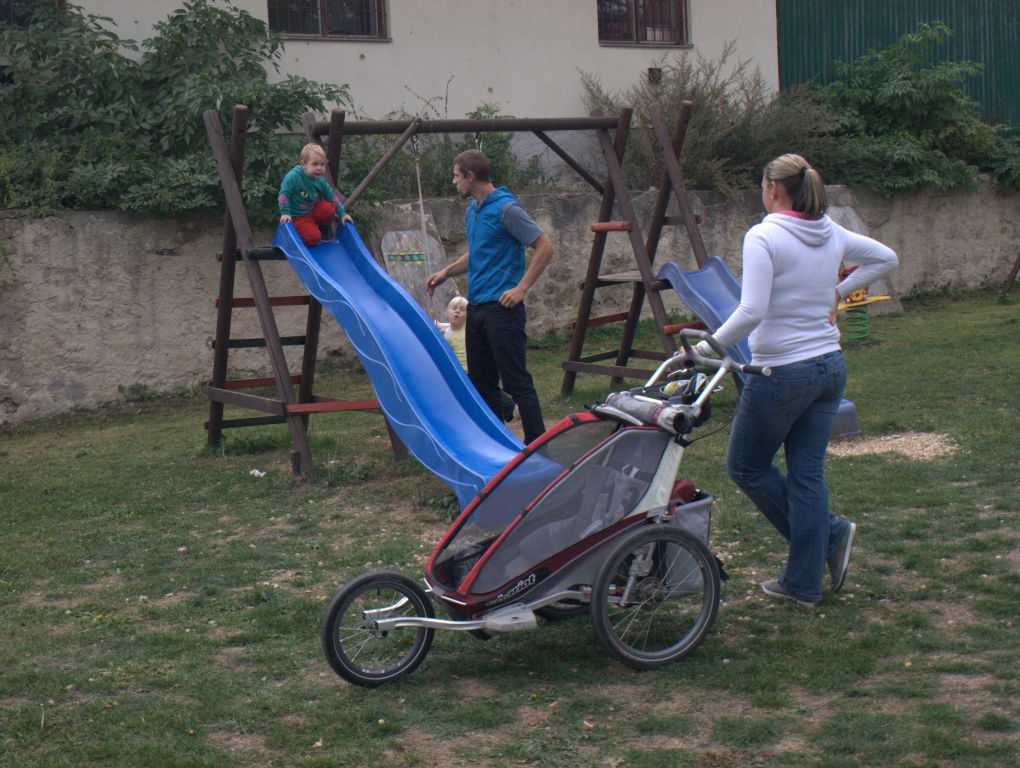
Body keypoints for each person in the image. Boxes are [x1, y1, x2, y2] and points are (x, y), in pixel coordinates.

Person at [699, 153, 897, 608]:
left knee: (746, 466)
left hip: (782, 371)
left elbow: (752, 311)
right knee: (807, 475)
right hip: (829, 366)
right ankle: (804, 580)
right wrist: (837, 293)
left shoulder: (764, 235)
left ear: (772, 188)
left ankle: (829, 538)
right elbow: (886, 258)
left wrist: (706, 349)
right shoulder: (829, 231)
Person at [425, 150, 553, 444]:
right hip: (477, 308)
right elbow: (478, 252)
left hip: (502, 310)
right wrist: (446, 272)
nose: (454, 181)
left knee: (516, 382)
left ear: (470, 176)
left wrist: (521, 288)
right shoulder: (474, 210)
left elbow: (544, 246)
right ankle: (497, 445)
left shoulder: (507, 209)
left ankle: (537, 446)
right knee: (481, 383)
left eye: (457, 176)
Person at [437, 295, 515, 421]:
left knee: (484, 389)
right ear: (447, 312)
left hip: (474, 369)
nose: (457, 311)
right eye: (454, 308)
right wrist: (439, 335)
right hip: (459, 373)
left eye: (462, 310)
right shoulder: (446, 333)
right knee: (472, 393)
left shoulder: (470, 331)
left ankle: (510, 408)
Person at [278, 143, 353, 246]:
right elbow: (284, 195)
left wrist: (342, 214)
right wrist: (285, 213)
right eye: (315, 164)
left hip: (311, 210)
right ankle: (301, 232)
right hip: (297, 216)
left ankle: (323, 226)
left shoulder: (320, 180)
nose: (319, 168)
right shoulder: (294, 177)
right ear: (303, 164)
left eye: (322, 164)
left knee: (330, 209)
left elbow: (331, 196)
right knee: (314, 238)